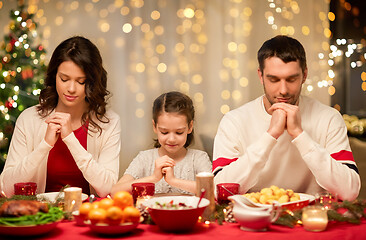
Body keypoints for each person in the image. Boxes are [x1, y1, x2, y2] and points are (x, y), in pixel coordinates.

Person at [213, 35, 360, 201]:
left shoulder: (329, 118)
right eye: (273, 79)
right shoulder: (234, 121)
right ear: (260, 75)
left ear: (304, 75)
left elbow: (350, 191)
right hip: (255, 219)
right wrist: (270, 136)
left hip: (311, 218)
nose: (283, 90)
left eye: (291, 79)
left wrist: (300, 135)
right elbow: (220, 190)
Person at [0, 36, 121, 197]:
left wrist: (71, 139)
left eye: (81, 81)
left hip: (87, 216)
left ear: (92, 82)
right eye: (64, 79)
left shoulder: (109, 122)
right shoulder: (29, 119)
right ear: (54, 76)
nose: (71, 88)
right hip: (40, 217)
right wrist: (45, 145)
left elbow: (107, 188)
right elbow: (6, 189)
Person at [111, 91, 211, 196]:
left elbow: (211, 190)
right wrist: (154, 178)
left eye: (179, 132)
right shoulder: (145, 158)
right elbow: (115, 191)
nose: (171, 139)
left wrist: (173, 181)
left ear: (190, 127)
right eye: (164, 132)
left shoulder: (199, 158)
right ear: (155, 126)